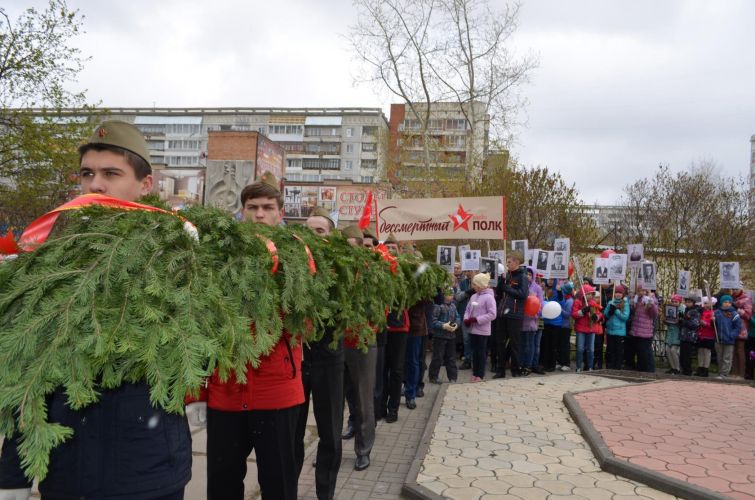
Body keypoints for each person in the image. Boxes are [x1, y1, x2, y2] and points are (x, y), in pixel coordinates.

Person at [0, 121, 192, 500]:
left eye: (111, 174)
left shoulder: (177, 254)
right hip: (67, 470)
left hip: (149, 470)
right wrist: (13, 476)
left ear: (145, 185)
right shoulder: (49, 259)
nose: (95, 185)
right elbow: (28, 374)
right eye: (87, 174)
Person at [189, 173, 303, 500]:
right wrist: (196, 394)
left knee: (279, 485)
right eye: (251, 207)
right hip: (226, 392)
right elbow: (200, 327)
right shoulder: (219, 256)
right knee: (222, 485)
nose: (259, 214)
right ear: (241, 212)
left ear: (281, 213)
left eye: (268, 207)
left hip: (276, 392)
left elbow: (304, 322)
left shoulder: (296, 257)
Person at [292, 207, 345, 499]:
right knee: (291, 434)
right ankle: (289, 488)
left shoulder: (341, 267)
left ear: (331, 236)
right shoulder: (290, 266)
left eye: (320, 231)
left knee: (329, 432)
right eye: (307, 231)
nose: (312, 237)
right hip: (297, 361)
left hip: (329, 359)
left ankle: (325, 492)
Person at [340, 225, 376, 472]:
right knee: (331, 403)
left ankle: (363, 451)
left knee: (363, 401)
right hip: (333, 343)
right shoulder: (332, 269)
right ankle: (328, 450)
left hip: (362, 341)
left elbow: (380, 308)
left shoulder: (371, 272)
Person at [493, 251, 529, 378]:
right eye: (506, 262)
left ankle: (515, 369)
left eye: (509, 262)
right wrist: (499, 285)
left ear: (517, 262)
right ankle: (500, 370)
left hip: (514, 314)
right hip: (502, 313)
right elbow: (500, 293)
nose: (507, 264)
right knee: (500, 342)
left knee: (515, 344)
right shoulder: (507, 275)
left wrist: (506, 288)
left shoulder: (522, 277)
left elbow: (523, 294)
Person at [464, 273, 497, 381]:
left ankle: (480, 374)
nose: (473, 286)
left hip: (482, 330)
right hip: (472, 329)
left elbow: (492, 314)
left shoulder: (489, 297)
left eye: (475, 284)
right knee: (474, 352)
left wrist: (477, 320)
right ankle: (474, 373)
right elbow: (468, 310)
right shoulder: (474, 296)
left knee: (481, 353)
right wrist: (466, 319)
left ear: (481, 285)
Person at [428, 288, 460, 384]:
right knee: (438, 357)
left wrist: (456, 324)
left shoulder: (453, 306)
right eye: (448, 294)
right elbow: (433, 321)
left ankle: (453, 377)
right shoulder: (438, 306)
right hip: (439, 336)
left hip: (451, 336)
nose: (450, 296)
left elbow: (458, 317)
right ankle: (433, 376)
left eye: (452, 294)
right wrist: (443, 325)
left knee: (451, 358)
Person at [571, 285, 603, 372]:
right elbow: (574, 314)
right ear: (583, 294)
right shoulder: (577, 302)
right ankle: (578, 367)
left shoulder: (593, 303)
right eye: (588, 294)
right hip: (581, 329)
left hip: (590, 329)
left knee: (591, 349)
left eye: (591, 294)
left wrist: (595, 317)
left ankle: (590, 367)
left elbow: (599, 314)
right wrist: (583, 311)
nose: (589, 296)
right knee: (580, 348)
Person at [520, 267, 543, 375]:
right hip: (521, 320)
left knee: (530, 345)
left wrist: (535, 314)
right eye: (526, 274)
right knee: (523, 345)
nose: (528, 276)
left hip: (531, 321)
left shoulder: (537, 288)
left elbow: (540, 304)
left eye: (530, 274)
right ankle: (522, 364)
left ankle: (528, 366)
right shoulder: (521, 285)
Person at [630, 288, 658, 373]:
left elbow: (654, 314)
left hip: (645, 332)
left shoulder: (651, 299)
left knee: (646, 352)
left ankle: (649, 370)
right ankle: (641, 369)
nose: (641, 292)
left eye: (643, 290)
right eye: (639, 290)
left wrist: (651, 304)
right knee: (640, 352)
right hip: (637, 330)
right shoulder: (637, 299)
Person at [714, 295, 742, 379]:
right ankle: (720, 372)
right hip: (719, 339)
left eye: (729, 302)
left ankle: (724, 374)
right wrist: (713, 320)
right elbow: (714, 326)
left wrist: (732, 335)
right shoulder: (717, 312)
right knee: (719, 357)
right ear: (721, 303)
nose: (727, 304)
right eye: (725, 302)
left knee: (727, 358)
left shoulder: (734, 314)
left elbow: (737, 327)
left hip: (729, 339)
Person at [604, 285, 630, 370]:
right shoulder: (610, 302)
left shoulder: (625, 303)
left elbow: (625, 317)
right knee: (610, 349)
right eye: (616, 292)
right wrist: (610, 311)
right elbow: (605, 314)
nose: (618, 294)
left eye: (620, 292)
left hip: (619, 331)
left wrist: (616, 311)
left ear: (622, 294)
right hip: (610, 330)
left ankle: (617, 366)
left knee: (618, 350)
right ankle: (610, 366)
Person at [731, 286, 752, 378]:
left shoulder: (747, 299)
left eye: (736, 289)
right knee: (733, 350)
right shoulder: (731, 298)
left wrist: (738, 310)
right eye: (733, 289)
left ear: (741, 289)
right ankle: (734, 373)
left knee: (740, 350)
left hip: (741, 328)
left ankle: (741, 374)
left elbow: (748, 315)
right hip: (731, 327)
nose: (734, 291)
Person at [679, 294, 701, 376]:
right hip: (683, 335)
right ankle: (684, 369)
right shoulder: (685, 310)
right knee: (682, 354)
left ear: (693, 302)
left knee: (687, 355)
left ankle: (688, 370)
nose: (687, 303)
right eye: (686, 302)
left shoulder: (695, 311)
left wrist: (684, 321)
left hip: (690, 336)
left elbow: (695, 324)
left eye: (689, 302)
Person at [663, 295, 684, 374]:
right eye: (673, 301)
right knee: (667, 350)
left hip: (677, 332)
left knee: (673, 350)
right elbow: (666, 321)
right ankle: (672, 367)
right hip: (670, 331)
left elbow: (683, 322)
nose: (674, 303)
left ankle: (677, 368)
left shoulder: (682, 309)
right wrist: (665, 320)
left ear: (679, 302)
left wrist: (679, 321)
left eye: (676, 302)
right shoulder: (669, 309)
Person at [696, 296, 717, 377]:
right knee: (700, 352)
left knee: (707, 352)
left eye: (706, 303)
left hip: (709, 335)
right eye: (704, 303)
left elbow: (714, 325)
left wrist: (706, 324)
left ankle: (705, 369)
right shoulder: (701, 312)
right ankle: (700, 368)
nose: (705, 305)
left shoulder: (713, 313)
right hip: (701, 334)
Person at [556, 282, 575, 371]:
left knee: (565, 345)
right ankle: (560, 362)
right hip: (561, 325)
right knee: (560, 344)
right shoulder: (565, 299)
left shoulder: (570, 301)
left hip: (566, 326)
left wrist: (560, 309)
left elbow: (568, 315)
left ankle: (566, 363)